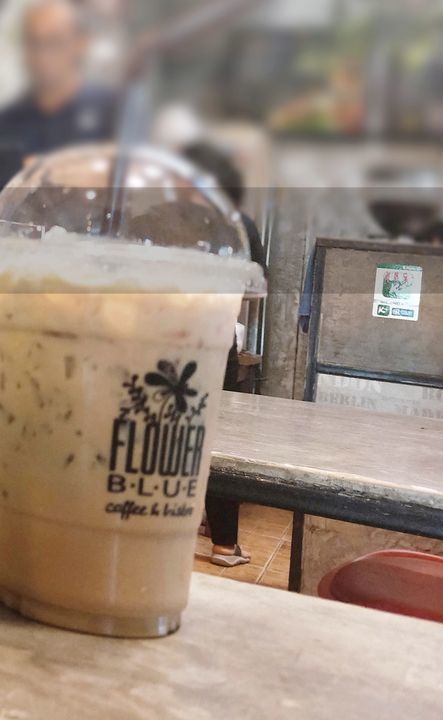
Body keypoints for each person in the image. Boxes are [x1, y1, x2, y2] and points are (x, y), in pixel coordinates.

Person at [182, 142, 264, 568]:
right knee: (213, 436)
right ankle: (224, 544)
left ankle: (177, 517)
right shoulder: (241, 226)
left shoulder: (158, 220)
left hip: (156, 338)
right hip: (216, 340)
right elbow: (254, 290)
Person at [0, 0, 116, 155]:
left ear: (81, 44)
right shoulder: (0, 126)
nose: (42, 55)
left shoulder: (111, 113)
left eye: (54, 42)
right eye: (34, 43)